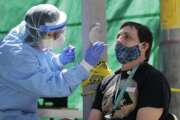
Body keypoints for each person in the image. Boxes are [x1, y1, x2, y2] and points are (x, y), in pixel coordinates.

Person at [0, 4, 105, 120]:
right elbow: (51, 85)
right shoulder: (16, 55)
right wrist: (85, 66)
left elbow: (37, 62)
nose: (60, 37)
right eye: (55, 34)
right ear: (39, 33)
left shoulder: (29, 33)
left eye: (61, 31)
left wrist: (58, 61)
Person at [88, 22, 172, 120]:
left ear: (144, 46)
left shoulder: (153, 79)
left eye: (126, 37)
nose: (119, 40)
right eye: (118, 36)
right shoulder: (106, 81)